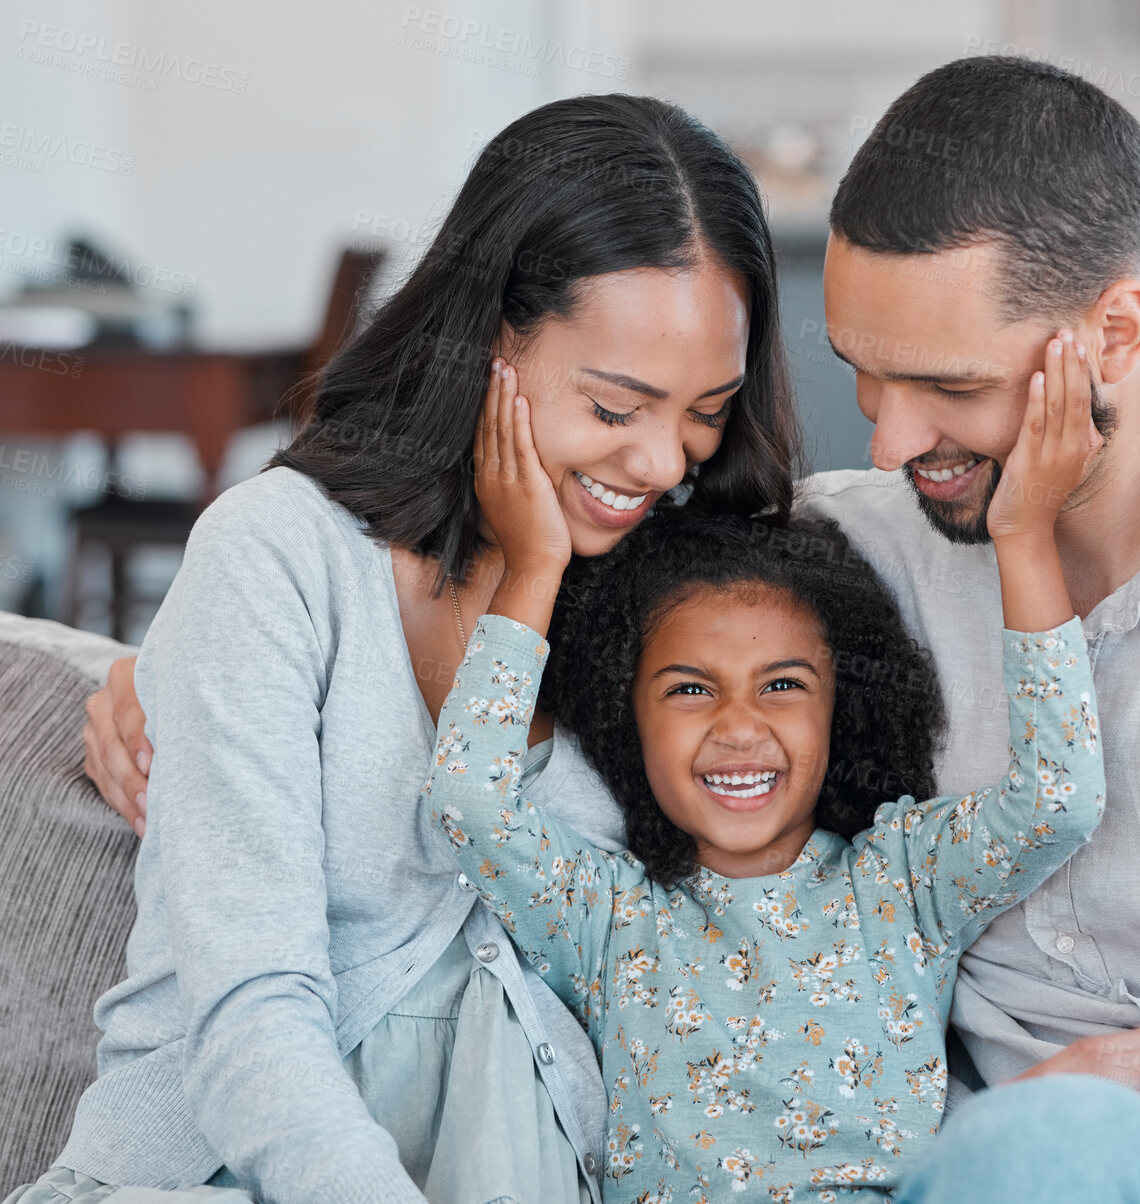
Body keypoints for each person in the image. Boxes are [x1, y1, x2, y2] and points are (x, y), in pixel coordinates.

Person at [85, 56, 1140, 1202]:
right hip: (1066, 1153)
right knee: (1047, 1149)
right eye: (860, 372)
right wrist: (164, 671)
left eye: (954, 390)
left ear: (1117, 330)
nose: (895, 442)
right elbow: (411, 635)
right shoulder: (845, 551)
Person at [22, 92, 796, 1204]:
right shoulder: (279, 555)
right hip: (222, 1166)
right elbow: (252, 1006)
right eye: (616, 406)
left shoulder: (697, 594)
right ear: (493, 340)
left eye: (706, 410)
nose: (663, 461)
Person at [419, 329, 1103, 1200]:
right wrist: (536, 563)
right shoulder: (609, 922)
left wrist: (1024, 535)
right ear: (629, 724)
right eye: (689, 690)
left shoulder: (903, 881)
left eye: (782, 684)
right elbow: (468, 804)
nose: (740, 727)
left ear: (840, 710)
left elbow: (1059, 799)